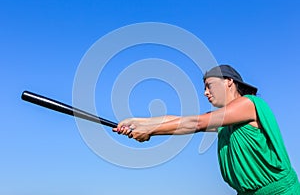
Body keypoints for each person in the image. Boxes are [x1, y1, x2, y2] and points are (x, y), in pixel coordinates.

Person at [113, 64, 300, 194]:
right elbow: (180, 122)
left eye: (209, 86)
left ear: (228, 81)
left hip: (280, 192)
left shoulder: (249, 104)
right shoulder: (224, 126)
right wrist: (139, 123)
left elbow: (197, 123)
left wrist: (150, 131)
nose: (205, 93)